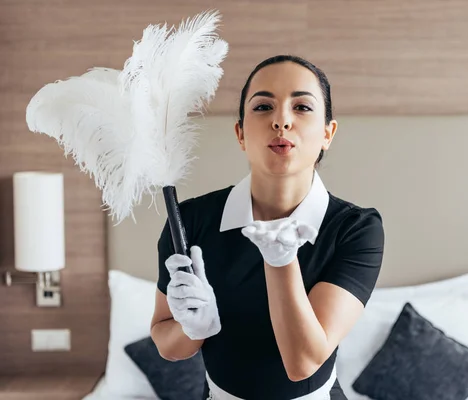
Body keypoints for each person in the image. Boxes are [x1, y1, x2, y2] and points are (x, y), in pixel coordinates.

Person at [150, 54, 385, 400]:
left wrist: (280, 260)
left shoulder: (355, 230)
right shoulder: (190, 222)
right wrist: (195, 328)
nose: (281, 121)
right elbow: (166, 343)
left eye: (302, 107)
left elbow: (302, 363)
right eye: (262, 107)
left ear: (327, 133)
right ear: (240, 133)